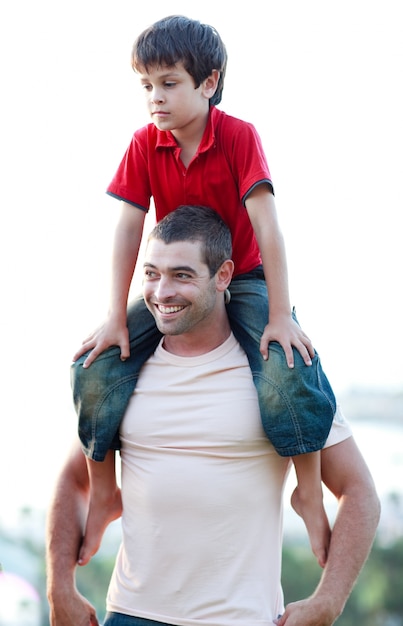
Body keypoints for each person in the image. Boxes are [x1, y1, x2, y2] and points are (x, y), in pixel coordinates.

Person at [72, 15, 337, 569]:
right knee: (92, 367)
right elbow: (127, 229)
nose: (155, 98)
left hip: (244, 279)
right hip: (179, 282)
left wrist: (281, 315)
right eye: (146, 86)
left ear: (208, 83)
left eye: (169, 83)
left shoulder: (239, 136)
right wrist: (113, 318)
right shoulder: (145, 143)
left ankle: (308, 490)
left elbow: (269, 228)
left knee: (287, 370)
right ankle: (104, 492)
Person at [47, 206, 380, 626]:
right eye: (152, 273)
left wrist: (327, 600)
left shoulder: (279, 376)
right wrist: (60, 587)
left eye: (182, 275)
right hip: (131, 615)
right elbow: (75, 480)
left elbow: (359, 491)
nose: (162, 291)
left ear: (223, 276)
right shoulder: (124, 369)